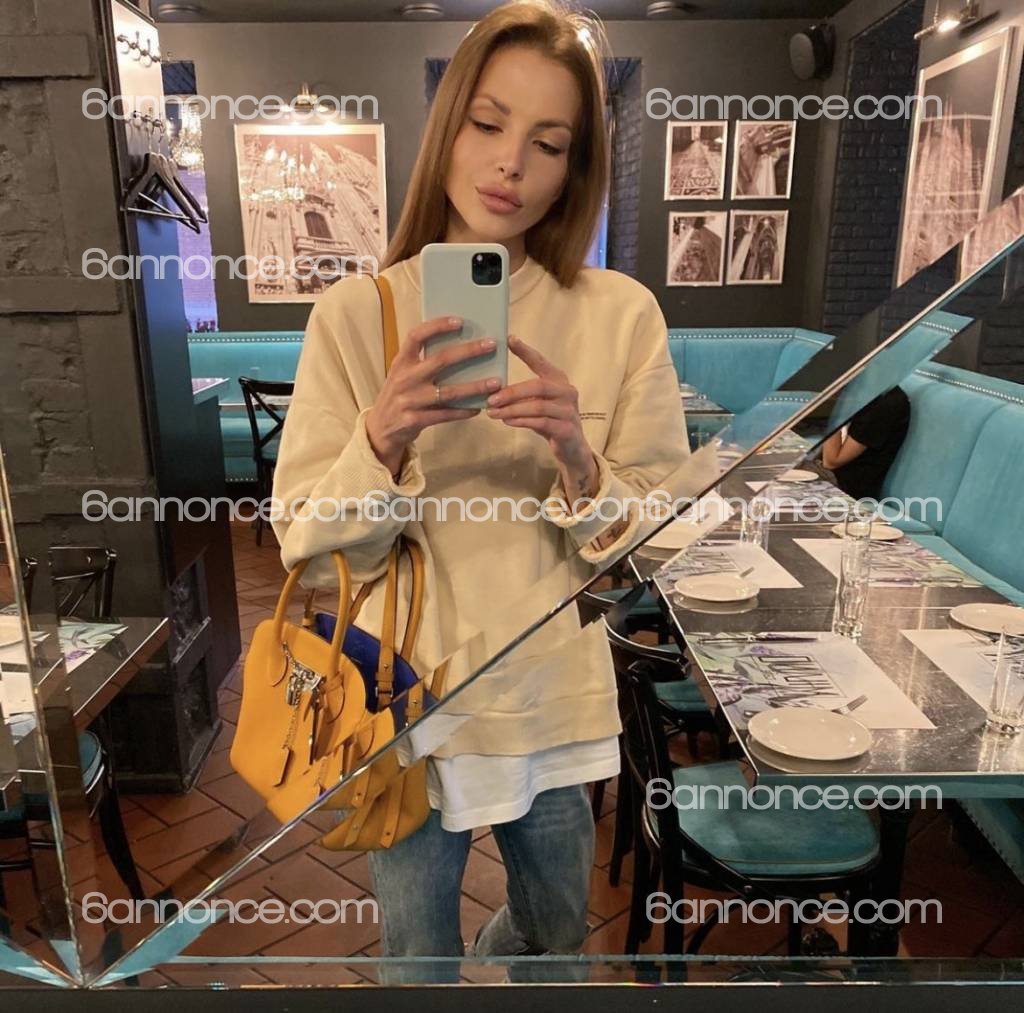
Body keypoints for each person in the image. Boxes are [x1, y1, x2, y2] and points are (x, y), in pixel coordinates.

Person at [270, 0, 690, 980]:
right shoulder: (355, 314)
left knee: (553, 945)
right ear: (447, 128)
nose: (511, 164)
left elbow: (657, 545)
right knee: (418, 965)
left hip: (552, 699)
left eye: (548, 142)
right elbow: (306, 545)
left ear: (574, 167)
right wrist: (382, 439)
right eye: (488, 123)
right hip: (403, 705)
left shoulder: (620, 314)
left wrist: (578, 460)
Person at [821, 385, 911, 501]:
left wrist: (835, 408)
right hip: (830, 473)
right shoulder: (866, 392)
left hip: (846, 487)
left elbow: (831, 462)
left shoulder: (885, 403)